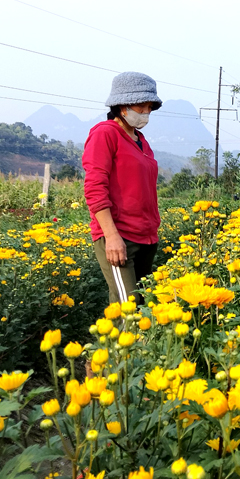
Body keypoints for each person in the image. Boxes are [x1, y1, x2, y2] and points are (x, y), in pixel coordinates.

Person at [83, 72, 162, 305]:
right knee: (130, 310)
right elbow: (95, 188)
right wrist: (111, 236)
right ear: (122, 106)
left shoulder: (140, 140)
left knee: (136, 308)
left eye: (149, 107)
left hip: (146, 237)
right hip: (120, 237)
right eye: (140, 106)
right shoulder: (105, 134)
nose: (145, 112)